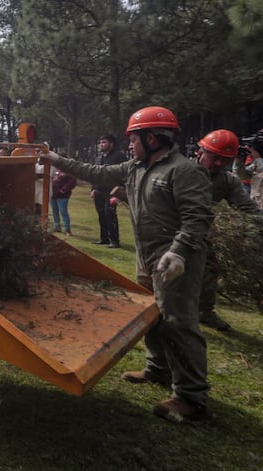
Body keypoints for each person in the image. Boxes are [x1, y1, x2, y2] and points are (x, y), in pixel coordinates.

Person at [42, 106, 213, 423]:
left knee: (179, 323)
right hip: (147, 256)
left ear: (152, 137)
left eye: (133, 139)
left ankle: (191, 398)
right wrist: (55, 160)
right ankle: (157, 369)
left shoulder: (183, 170)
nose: (130, 145)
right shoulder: (136, 166)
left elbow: (198, 218)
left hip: (176, 259)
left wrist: (177, 252)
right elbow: (96, 172)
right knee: (152, 314)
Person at [195, 129, 262, 331]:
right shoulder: (181, 171)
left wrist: (259, 223)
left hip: (202, 232)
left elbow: (247, 207)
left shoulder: (227, 180)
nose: (219, 164)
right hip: (170, 229)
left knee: (211, 267)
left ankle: (205, 311)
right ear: (200, 152)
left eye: (225, 160)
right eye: (215, 158)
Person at [91, 134, 127, 248]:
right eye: (100, 142)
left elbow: (124, 175)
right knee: (101, 214)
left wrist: (118, 194)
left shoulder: (119, 157)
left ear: (111, 144)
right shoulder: (99, 157)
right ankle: (104, 238)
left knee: (109, 214)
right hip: (99, 191)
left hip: (112, 191)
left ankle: (115, 241)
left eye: (104, 142)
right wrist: (93, 189)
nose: (101, 144)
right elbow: (94, 174)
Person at [50, 159, 76, 235]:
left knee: (63, 212)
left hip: (62, 196)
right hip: (53, 194)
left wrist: (64, 189)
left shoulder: (68, 170)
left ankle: (67, 230)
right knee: (55, 212)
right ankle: (57, 227)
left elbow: (72, 182)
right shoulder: (55, 169)